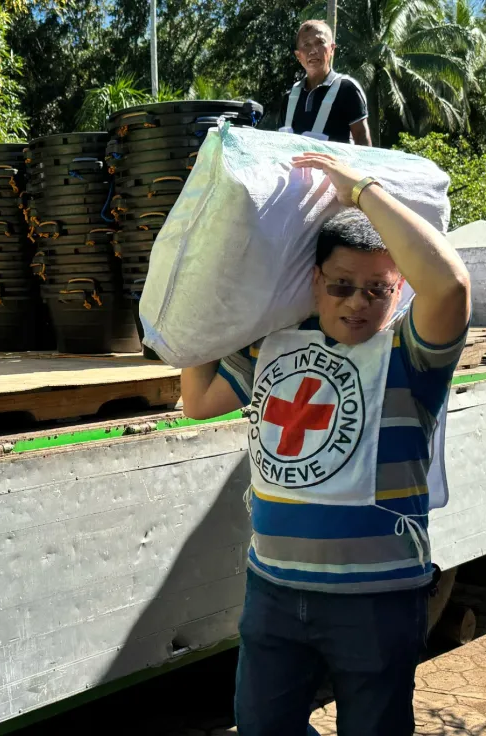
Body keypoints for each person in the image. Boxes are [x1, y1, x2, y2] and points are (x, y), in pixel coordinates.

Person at [182, 153, 470, 735]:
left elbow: (451, 286)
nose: (357, 301)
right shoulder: (272, 344)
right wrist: (201, 299)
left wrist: (360, 189)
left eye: (377, 289)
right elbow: (200, 401)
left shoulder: (410, 356)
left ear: (399, 289)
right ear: (315, 282)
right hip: (273, 589)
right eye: (341, 285)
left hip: (377, 599)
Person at [277, 20, 372, 145]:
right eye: (306, 44)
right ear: (298, 55)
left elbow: (362, 141)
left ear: (332, 49)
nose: (313, 51)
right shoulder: (289, 98)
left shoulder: (347, 90)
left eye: (320, 42)